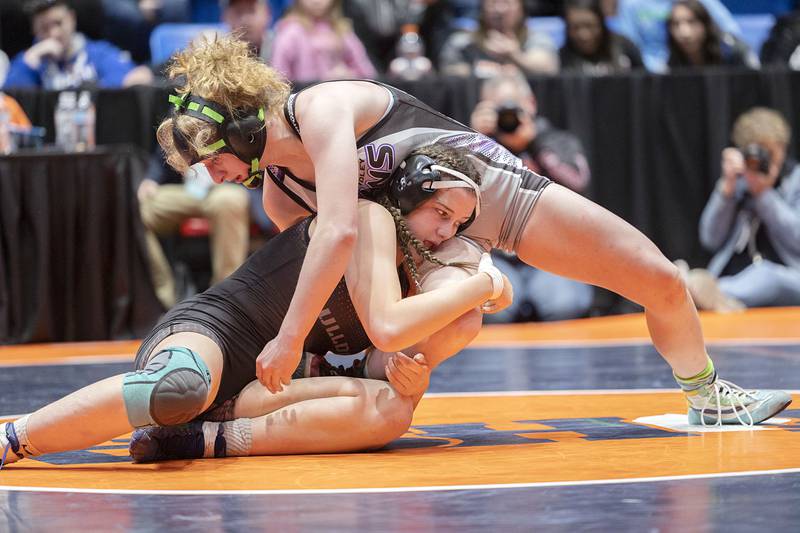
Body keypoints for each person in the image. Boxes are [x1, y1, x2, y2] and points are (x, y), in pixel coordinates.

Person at [156, 35, 791, 427]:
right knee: (456, 320)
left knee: (660, 280)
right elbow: (342, 281)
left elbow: (341, 232)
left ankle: (705, 394)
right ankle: (367, 384)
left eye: (212, 158)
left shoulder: (319, 107)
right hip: (428, 249)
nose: (212, 176)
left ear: (239, 125)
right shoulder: (280, 193)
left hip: (495, 196)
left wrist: (290, 341)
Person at [0, 142, 513, 466]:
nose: (447, 233)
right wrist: (486, 285)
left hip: (265, 382)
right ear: (407, 195)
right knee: (180, 387)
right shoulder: (367, 218)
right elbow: (386, 327)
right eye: (440, 213)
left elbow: (387, 357)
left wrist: (414, 377)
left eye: (457, 224)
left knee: (393, 411)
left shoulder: (414, 270)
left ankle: (196, 440)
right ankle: (12, 438)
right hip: (219, 333)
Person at [468, 69, 594, 321]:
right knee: (492, 314)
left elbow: (578, 183)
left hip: (550, 257)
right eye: (498, 109)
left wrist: (534, 144)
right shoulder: (474, 145)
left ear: (531, 104)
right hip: (494, 258)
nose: (508, 116)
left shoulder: (556, 140)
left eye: (513, 107)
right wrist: (474, 138)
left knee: (564, 305)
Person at [689, 107, 800, 310]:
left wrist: (764, 194)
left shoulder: (796, 180)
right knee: (758, 275)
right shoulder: (739, 183)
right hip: (736, 272)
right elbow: (710, 239)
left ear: (782, 149)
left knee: (767, 275)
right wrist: (726, 191)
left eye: (770, 153)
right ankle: (705, 292)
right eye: (757, 153)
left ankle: (705, 293)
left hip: (788, 275)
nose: (763, 161)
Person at [138, 149, 251, 309]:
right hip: (188, 191)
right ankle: (166, 297)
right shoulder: (182, 123)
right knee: (143, 208)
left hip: (226, 186)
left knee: (228, 201)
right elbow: (164, 150)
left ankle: (225, 299)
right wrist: (151, 179)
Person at [3, 0, 153, 90]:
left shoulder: (97, 52)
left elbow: (133, 78)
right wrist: (29, 62)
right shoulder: (29, 61)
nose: (53, 33)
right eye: (44, 28)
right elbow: (9, 100)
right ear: (34, 30)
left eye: (58, 23)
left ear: (71, 19)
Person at [439, 0, 559, 77]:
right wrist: (478, 70)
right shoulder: (463, 42)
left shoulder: (537, 38)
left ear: (522, 9)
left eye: (507, 2)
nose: (499, 9)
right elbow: (448, 74)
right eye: (492, 2)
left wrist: (515, 56)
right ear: (482, 9)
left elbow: (548, 70)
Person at [615, 0, 742, 72]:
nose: (684, 31)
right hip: (651, 73)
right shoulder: (630, 4)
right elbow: (629, 46)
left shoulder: (703, 2)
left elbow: (731, 34)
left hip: (699, 66)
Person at [270, 0, 376, 82]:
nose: (316, 1)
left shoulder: (341, 30)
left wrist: (349, 76)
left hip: (341, 97)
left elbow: (368, 73)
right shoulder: (291, 31)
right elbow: (278, 77)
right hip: (302, 101)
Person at [666, 0, 758, 70]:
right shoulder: (673, 61)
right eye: (676, 24)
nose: (684, 33)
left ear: (705, 25)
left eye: (691, 22)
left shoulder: (733, 52)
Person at [560, 0, 644, 75]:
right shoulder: (562, 57)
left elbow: (643, 81)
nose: (584, 35)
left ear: (601, 24)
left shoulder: (624, 46)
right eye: (575, 27)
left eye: (590, 26)